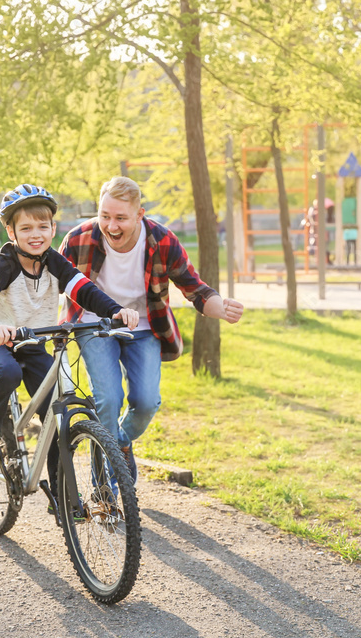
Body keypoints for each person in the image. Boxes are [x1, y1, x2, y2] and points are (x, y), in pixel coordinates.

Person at [59, 176, 244, 484]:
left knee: (146, 402)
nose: (111, 226)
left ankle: (120, 442)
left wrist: (220, 307)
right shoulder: (80, 238)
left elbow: (195, 289)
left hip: (143, 326)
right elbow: (51, 282)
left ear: (140, 214)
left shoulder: (161, 240)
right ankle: (106, 487)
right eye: (105, 216)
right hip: (94, 323)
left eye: (121, 218)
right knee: (108, 399)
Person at [0, 184, 140, 466]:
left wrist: (116, 311)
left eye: (42, 227)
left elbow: (85, 290)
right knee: (7, 373)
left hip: (32, 343)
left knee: (57, 420)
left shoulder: (54, 262)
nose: (35, 235)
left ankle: (63, 502)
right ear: (11, 233)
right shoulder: (5, 264)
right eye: (26, 228)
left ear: (53, 229)